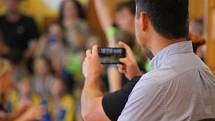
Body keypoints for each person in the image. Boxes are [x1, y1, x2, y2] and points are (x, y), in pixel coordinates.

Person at [81, 0, 215, 121]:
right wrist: (137, 78)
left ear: (144, 20)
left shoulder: (156, 84)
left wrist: (92, 74)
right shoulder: (206, 73)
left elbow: (90, 113)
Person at [0, 0, 39, 71]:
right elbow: (1, 47)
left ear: (19, 2)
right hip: (4, 62)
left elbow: (33, 46)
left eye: (15, 1)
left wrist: (21, 58)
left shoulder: (29, 21)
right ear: (4, 2)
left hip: (24, 62)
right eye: (9, 1)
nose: (12, 3)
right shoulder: (1, 21)